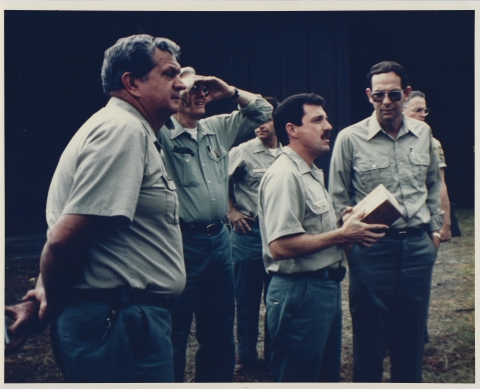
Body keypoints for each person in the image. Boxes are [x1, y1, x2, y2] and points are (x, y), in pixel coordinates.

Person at [4, 34, 188, 382]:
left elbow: (82, 237)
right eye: (169, 74)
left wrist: (41, 295)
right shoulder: (123, 131)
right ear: (132, 82)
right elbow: (64, 240)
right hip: (119, 322)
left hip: (121, 317)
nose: (181, 83)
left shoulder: (128, 129)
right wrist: (52, 302)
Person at [258, 93, 387, 382]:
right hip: (300, 293)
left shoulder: (310, 172)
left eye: (326, 118)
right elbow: (279, 246)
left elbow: (311, 229)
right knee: (300, 377)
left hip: (321, 290)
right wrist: (341, 234)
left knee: (325, 377)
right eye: (317, 120)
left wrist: (345, 224)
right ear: (292, 130)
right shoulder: (285, 175)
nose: (328, 125)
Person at [329, 61, 443, 382]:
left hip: (418, 247)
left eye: (394, 94)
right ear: (369, 95)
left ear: (406, 94)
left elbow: (433, 184)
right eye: (379, 95)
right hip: (373, 250)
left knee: (411, 337)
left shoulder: (423, 133)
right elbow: (337, 199)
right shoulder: (349, 139)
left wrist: (434, 231)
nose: (387, 102)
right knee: (369, 338)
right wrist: (353, 249)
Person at [157, 67, 272, 382]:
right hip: (182, 242)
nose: (198, 95)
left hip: (219, 241)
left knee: (220, 325)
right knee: (175, 326)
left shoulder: (216, 128)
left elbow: (263, 110)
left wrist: (227, 91)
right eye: (190, 89)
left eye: (201, 90)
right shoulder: (161, 131)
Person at [227, 96, 280, 373]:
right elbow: (220, 179)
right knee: (246, 298)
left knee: (276, 297)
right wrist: (232, 211)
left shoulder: (288, 153)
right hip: (249, 232)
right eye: (256, 120)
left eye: (266, 119)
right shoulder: (243, 151)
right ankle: (245, 356)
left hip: (279, 235)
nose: (260, 125)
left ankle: (274, 357)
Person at [403, 90, 460, 241]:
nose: (423, 114)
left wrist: (446, 222)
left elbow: (440, 184)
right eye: (417, 110)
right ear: (402, 110)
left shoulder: (431, 142)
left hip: (423, 218)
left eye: (425, 110)